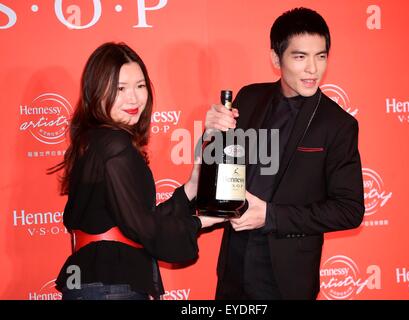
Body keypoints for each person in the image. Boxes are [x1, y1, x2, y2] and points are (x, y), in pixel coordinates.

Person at [205, 7, 365, 299]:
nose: (313, 69)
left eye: (321, 56)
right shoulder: (250, 98)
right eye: (300, 56)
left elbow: (350, 210)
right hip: (234, 268)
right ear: (276, 59)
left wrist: (270, 216)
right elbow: (221, 174)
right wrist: (212, 137)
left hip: (286, 279)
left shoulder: (337, 124)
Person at [49, 42, 224, 300]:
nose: (134, 98)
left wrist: (190, 190)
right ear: (96, 91)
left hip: (92, 283)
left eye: (140, 86)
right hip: (110, 286)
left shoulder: (95, 141)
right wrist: (199, 222)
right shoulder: (115, 145)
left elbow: (131, 221)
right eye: (120, 89)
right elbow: (143, 228)